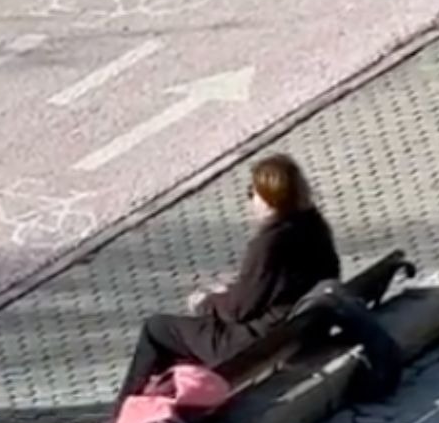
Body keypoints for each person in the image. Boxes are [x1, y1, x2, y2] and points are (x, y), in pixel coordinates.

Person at [116, 153, 341, 405]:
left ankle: (120, 416)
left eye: (252, 192)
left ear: (269, 198)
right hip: (296, 327)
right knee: (191, 331)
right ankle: (162, 400)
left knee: (157, 328)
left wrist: (206, 301)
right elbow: (275, 286)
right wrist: (231, 291)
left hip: (255, 343)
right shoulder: (313, 225)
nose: (251, 199)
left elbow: (238, 311)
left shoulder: (269, 242)